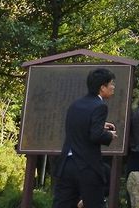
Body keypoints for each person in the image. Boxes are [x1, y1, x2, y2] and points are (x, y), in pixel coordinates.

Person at [53, 68, 117, 208]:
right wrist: (108, 135)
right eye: (111, 84)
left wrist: (99, 125)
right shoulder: (100, 106)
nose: (113, 87)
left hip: (67, 164)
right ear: (102, 87)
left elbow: (77, 126)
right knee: (95, 203)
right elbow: (95, 136)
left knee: (63, 204)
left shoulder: (75, 104)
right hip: (87, 166)